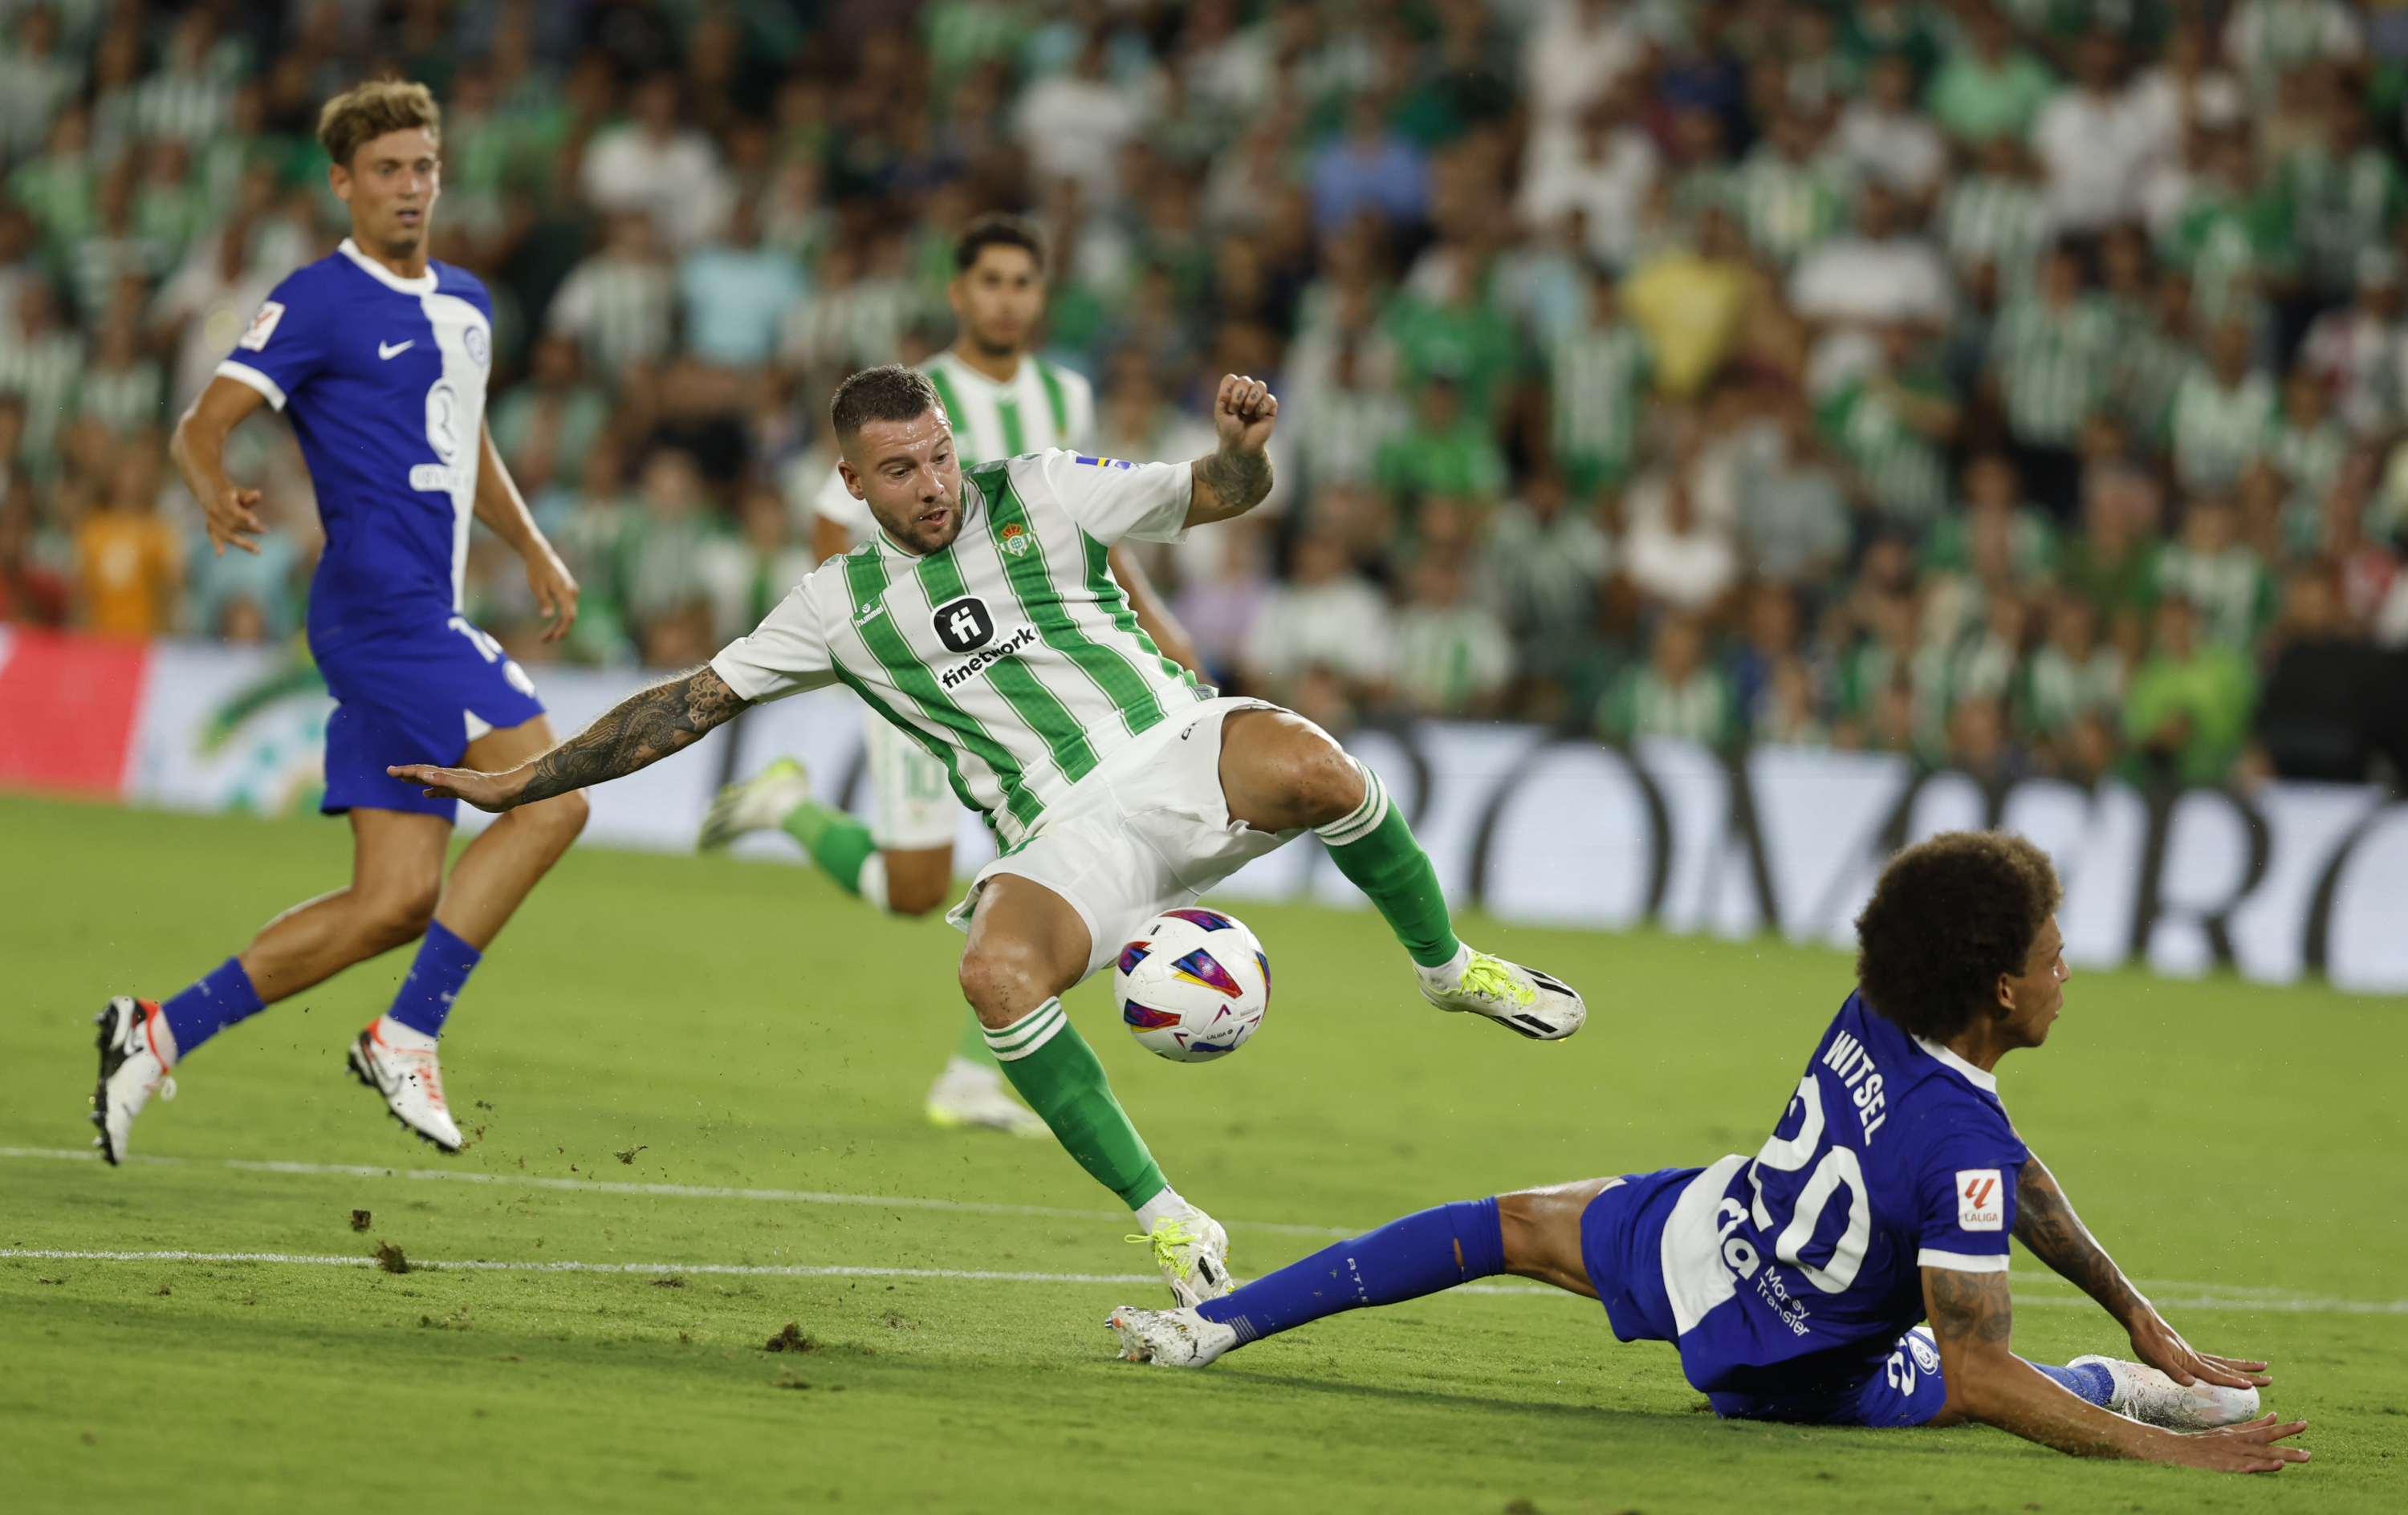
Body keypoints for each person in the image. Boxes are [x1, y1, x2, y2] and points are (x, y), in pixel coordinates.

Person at [392, 364, 1587, 1306]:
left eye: (940, 453)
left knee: (1324, 771)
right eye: (900, 469)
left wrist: (1237, 454)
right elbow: (686, 705)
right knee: (993, 974)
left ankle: (1447, 970)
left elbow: (1218, 498)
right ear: (851, 484)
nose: (932, 482)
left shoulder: (1046, 488)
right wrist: (527, 781)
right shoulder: (836, 609)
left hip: (1172, 746)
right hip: (1062, 835)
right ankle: (1169, 1218)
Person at [1104, 834, 2312, 1476]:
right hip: (1800, 1364)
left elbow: (2021, 1182)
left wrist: (2140, 1307)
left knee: (1501, 1227)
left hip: (1705, 1242)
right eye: (2054, 957)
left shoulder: (1884, 1002)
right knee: (1986, 1385)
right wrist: (2163, 1447)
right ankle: (2127, 1386)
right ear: (1999, 991)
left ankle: (1214, 1326)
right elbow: (1988, 1374)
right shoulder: (1968, 1154)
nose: (2068, 974)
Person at [91, 81, 589, 1164]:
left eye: (423, 168)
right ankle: (407, 1033)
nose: (409, 188)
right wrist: (213, 487)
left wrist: (533, 544)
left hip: (424, 609)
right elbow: (201, 422)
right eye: (386, 171)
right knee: (554, 804)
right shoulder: (316, 300)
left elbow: (469, 445)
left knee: (396, 900)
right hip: (380, 610)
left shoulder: (468, 303)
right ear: (343, 183)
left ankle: (158, 1030)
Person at [698, 214, 1199, 1138]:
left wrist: (1157, 625)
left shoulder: (1063, 394)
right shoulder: (914, 403)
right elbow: (826, 530)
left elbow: (1086, 533)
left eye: (1024, 283)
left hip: (1037, 664)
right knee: (916, 887)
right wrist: (890, 657)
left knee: (1052, 868)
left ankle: (972, 1070)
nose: (1008, 298)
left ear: (1040, 296)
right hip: (931, 671)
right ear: (960, 294)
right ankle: (791, 807)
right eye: (991, 282)